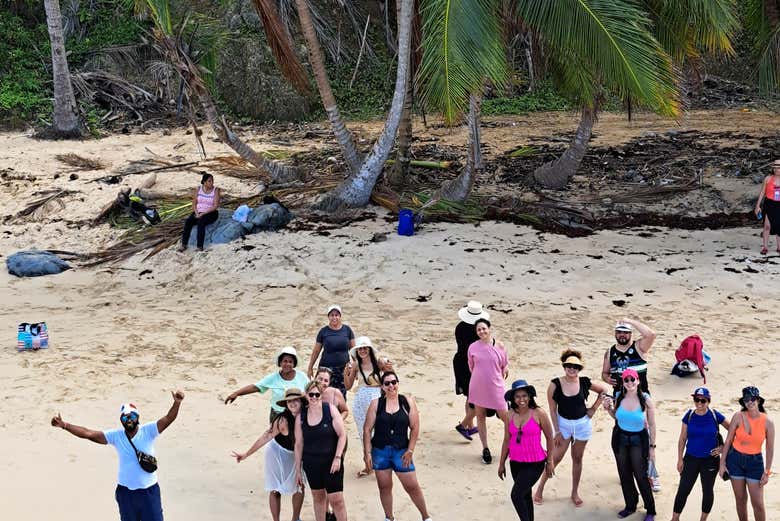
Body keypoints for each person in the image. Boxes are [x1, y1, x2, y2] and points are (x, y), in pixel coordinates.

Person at [50, 391, 185, 521]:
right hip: (126, 494)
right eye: (125, 417)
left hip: (149, 492)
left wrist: (177, 403)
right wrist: (65, 425)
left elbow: (168, 418)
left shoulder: (148, 431)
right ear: (121, 420)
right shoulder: (116, 436)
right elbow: (88, 433)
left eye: (132, 416)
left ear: (137, 417)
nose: (129, 420)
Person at [533, 349, 609, 507]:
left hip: (582, 424)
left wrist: (594, 408)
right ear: (564, 365)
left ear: (579, 368)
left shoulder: (584, 382)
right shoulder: (554, 384)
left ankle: (574, 492)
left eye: (575, 366)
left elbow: (604, 390)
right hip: (563, 425)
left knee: (577, 459)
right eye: (569, 365)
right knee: (555, 458)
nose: (572, 368)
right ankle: (539, 488)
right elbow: (552, 410)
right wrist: (557, 431)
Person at [363, 371, 433, 521]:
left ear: (398, 383)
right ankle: (389, 517)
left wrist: (410, 450)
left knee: (412, 487)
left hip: (401, 451)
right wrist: (367, 453)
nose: (391, 386)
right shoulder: (376, 403)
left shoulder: (407, 402)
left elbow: (415, 427)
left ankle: (426, 517)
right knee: (384, 487)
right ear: (382, 386)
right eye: (387, 383)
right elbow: (367, 429)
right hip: (380, 451)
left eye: (394, 382)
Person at [231, 388, 306, 521]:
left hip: (296, 455)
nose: (292, 403)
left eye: (295, 400)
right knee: (275, 489)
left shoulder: (307, 417)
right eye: (289, 401)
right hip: (276, 453)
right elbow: (265, 437)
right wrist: (246, 454)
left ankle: (295, 518)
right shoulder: (282, 421)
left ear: (301, 401)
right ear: (286, 404)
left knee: (300, 487)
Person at [603, 368, 657, 521]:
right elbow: (617, 417)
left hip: (638, 440)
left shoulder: (645, 399)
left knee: (641, 475)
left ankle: (650, 510)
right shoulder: (619, 396)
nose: (629, 382)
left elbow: (652, 425)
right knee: (624, 474)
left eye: (632, 379)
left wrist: (652, 447)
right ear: (623, 382)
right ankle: (630, 505)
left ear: (638, 381)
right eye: (626, 380)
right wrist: (609, 409)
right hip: (620, 437)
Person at [498, 379, 555, 521]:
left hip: (535, 463)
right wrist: (501, 463)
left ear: (530, 396)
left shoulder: (539, 413)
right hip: (515, 462)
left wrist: (550, 461)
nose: (521, 399)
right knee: (525, 495)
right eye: (517, 396)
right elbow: (506, 440)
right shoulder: (509, 414)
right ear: (513, 398)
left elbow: (549, 437)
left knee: (516, 495)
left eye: (524, 396)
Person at [671, 387, 729, 521]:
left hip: (710, 460)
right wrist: (680, 459)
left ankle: (703, 519)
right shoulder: (689, 415)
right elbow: (682, 439)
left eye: (703, 401)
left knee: (707, 491)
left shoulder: (715, 415)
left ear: (708, 401)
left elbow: (733, 429)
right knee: (683, 490)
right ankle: (675, 518)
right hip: (690, 459)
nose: (699, 403)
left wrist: (723, 447)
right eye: (697, 400)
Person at [719, 386, 775, 521]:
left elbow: (770, 448)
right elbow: (728, 441)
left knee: (758, 504)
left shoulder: (768, 422)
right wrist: (722, 464)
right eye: (746, 399)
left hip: (755, 463)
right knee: (740, 500)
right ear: (743, 402)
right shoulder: (738, 416)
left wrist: (767, 471)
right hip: (735, 461)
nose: (750, 402)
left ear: (759, 400)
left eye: (753, 399)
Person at [295, 381, 348, 521]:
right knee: (318, 498)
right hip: (311, 464)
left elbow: (342, 435)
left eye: (316, 394)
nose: (313, 397)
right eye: (310, 394)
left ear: (321, 395)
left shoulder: (330, 409)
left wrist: (338, 458)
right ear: (306, 395)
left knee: (337, 500)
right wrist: (298, 470)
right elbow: (299, 444)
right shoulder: (301, 416)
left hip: (332, 463)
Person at [344, 336, 392, 478]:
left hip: (376, 400)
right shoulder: (356, 365)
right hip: (360, 401)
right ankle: (368, 465)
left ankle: (382, 464)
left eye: (365, 348)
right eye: (360, 349)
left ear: (370, 349)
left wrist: (389, 366)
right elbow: (348, 386)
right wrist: (346, 373)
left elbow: (391, 378)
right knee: (363, 433)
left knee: (379, 432)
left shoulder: (379, 363)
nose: (363, 351)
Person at [225, 346, 309, 423]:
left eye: (290, 362)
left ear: (294, 364)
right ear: (280, 363)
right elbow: (256, 387)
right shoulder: (272, 378)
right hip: (278, 414)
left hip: (298, 414)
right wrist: (236, 393)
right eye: (285, 361)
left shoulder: (302, 376)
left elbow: (311, 391)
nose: (287, 364)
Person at [467, 317, 509, 464]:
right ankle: (485, 448)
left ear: (489, 328)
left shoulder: (500, 345)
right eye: (478, 329)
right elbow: (471, 366)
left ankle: (510, 445)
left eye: (484, 328)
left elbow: (505, 364)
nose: (481, 331)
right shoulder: (472, 347)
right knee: (480, 417)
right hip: (478, 386)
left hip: (496, 385)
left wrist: (505, 370)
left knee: (506, 417)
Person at [453, 300, 489, 441]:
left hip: (460, 362)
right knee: (473, 396)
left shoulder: (459, 327)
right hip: (471, 365)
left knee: (470, 395)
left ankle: (469, 425)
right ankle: (465, 425)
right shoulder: (477, 332)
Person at [308, 305, 355, 398]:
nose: (334, 317)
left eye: (336, 315)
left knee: (341, 394)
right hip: (326, 369)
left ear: (340, 316)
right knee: (323, 393)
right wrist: (310, 367)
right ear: (328, 317)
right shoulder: (323, 331)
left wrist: (356, 368)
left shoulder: (347, 330)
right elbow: (316, 351)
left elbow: (354, 350)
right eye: (332, 315)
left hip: (343, 369)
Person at [602, 318, 656, 394]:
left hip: (641, 395)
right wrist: (607, 379)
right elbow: (604, 373)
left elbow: (651, 335)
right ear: (615, 333)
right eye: (619, 332)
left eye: (625, 332)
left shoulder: (639, 347)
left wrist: (630, 322)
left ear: (631, 333)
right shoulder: (610, 352)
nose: (622, 335)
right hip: (620, 397)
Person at [180, 172, 220, 251]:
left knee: (201, 223)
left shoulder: (215, 190)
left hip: (211, 212)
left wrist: (203, 214)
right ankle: (184, 245)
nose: (212, 183)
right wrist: (196, 213)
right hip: (198, 211)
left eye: (212, 181)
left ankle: (199, 246)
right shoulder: (198, 189)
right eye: (209, 181)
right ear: (204, 182)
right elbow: (194, 204)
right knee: (188, 221)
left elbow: (215, 206)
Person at [754, 159, 780, 254]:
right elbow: (762, 193)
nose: (777, 170)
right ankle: (765, 247)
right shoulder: (768, 178)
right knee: (767, 226)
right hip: (769, 204)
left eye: (779, 168)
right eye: (775, 168)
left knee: (779, 226)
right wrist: (757, 206)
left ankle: (779, 247)